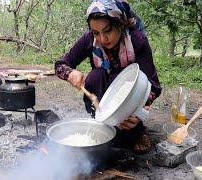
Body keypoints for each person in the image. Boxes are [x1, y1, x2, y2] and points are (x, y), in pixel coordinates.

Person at [54, 0, 162, 154]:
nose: (102, 39)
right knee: (95, 77)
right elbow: (60, 64)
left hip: (129, 102)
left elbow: (154, 86)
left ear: (120, 23)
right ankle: (101, 125)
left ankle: (137, 132)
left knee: (128, 134)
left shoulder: (137, 40)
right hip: (103, 96)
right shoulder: (89, 39)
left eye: (107, 30)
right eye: (96, 32)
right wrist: (70, 73)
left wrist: (138, 112)